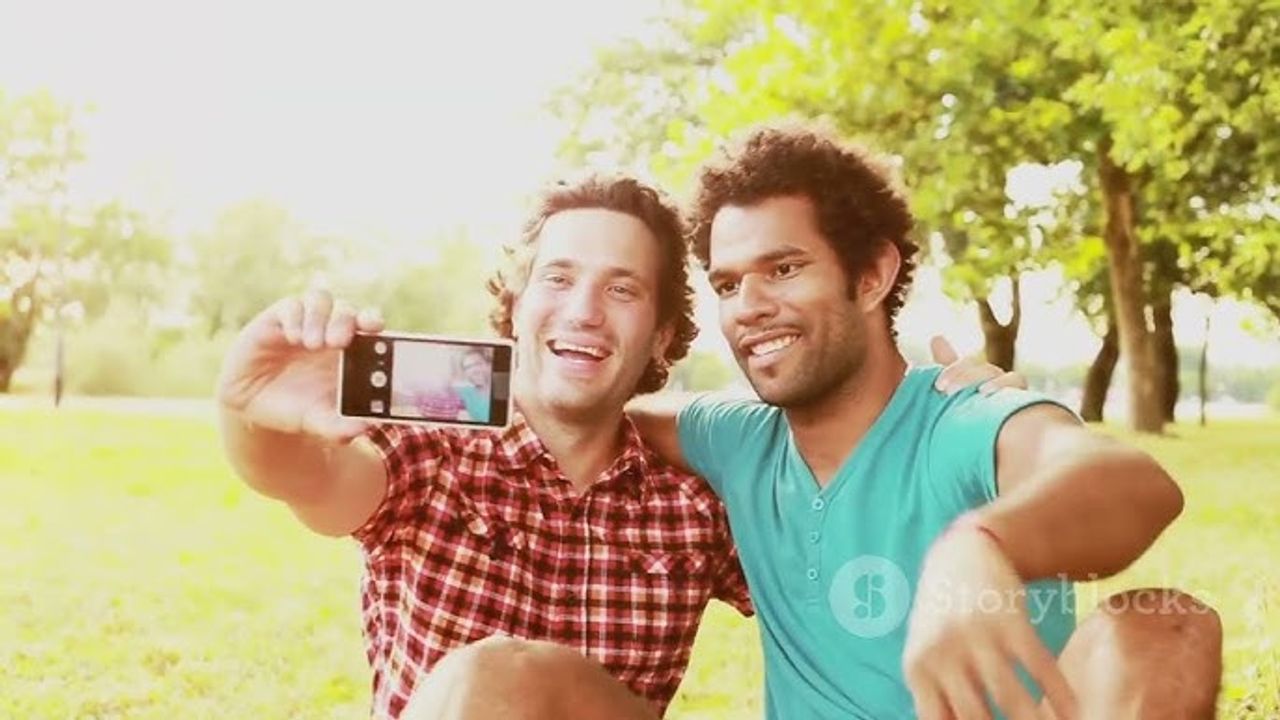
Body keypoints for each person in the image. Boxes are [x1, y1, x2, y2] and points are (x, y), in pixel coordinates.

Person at [216, 174, 1015, 720]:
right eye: (558, 279)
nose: (585, 312)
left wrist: (952, 430)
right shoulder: (432, 456)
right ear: (517, 306)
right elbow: (304, 476)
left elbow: (858, 576)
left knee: (509, 674)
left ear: (662, 334)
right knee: (491, 679)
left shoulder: (695, 502)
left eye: (622, 289)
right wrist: (251, 410)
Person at [630, 124, 1224, 719]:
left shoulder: (964, 419)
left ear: (871, 275)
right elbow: (606, 409)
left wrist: (983, 543)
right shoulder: (736, 441)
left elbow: (1134, 484)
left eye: (784, 269)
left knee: (1163, 628)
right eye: (728, 284)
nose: (749, 306)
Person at [452, 347, 492, 422]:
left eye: (477, 364)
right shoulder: (462, 393)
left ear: (489, 365)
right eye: (468, 367)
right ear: (465, 373)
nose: (474, 370)